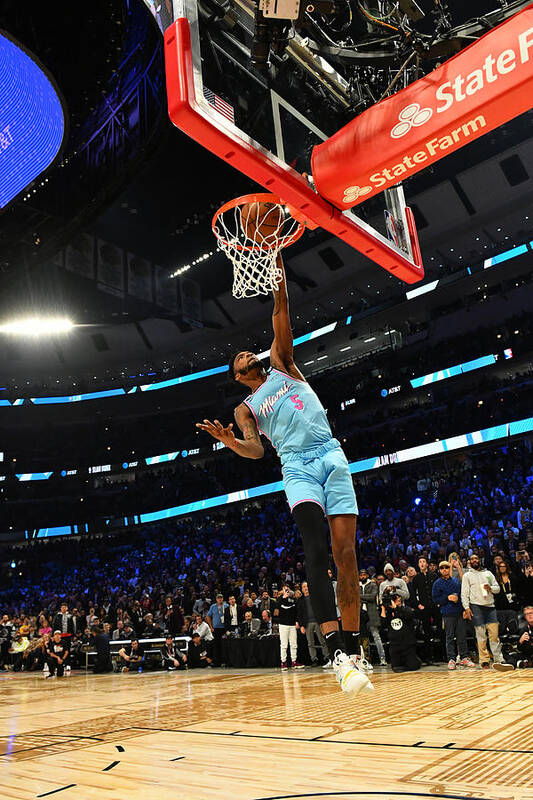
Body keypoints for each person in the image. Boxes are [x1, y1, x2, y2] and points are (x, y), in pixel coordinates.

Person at [196, 252, 372, 696]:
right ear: (239, 377)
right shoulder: (246, 407)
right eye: (239, 360)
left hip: (330, 454)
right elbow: (256, 449)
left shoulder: (282, 364)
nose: (246, 356)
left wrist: (277, 277)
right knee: (316, 549)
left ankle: (353, 648)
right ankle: (334, 648)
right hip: (296, 468)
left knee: (345, 553)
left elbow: (281, 312)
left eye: (246, 353)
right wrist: (233, 442)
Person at [461, 553, 512, 670]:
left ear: (479, 560)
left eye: (476, 558)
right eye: (472, 559)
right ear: (470, 562)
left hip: (490, 606)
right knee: (481, 635)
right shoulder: (467, 575)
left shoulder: (488, 573)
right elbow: (464, 593)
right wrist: (466, 608)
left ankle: (499, 658)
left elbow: (497, 589)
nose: (474, 560)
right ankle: (484, 660)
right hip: (476, 606)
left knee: (494, 635)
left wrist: (490, 588)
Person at [432, 561, 475, 670]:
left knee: (462, 636)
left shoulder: (456, 581)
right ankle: (451, 659)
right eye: (442, 568)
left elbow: (462, 595)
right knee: (449, 637)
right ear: (440, 570)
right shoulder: (437, 583)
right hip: (447, 613)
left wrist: (465, 609)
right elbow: (435, 599)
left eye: (447, 567)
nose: (445, 569)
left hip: (459, 612)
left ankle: (464, 657)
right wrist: (447, 598)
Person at [380, 594, 420, 673]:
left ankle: (416, 659)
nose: (399, 602)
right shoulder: (389, 613)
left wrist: (397, 608)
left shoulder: (404, 609)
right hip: (394, 645)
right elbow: (383, 624)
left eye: (399, 601)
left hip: (407, 643)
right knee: (396, 667)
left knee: (413, 666)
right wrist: (383, 608)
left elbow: (409, 614)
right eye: (398, 601)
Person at [297, 581, 329, 666]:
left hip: (318, 621)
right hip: (307, 623)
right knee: (310, 643)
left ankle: (327, 658)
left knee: (322, 641)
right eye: (303, 587)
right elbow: (299, 614)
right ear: (302, 589)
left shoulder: (315, 597)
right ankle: (314, 659)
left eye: (307, 586)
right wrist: (301, 626)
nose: (305, 588)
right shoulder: (300, 600)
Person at [360, 569, 387, 666]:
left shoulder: (373, 585)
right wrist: (365, 598)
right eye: (361, 575)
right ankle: (365, 660)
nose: (363, 576)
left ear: (367, 575)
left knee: (376, 636)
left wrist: (360, 597)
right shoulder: (357, 586)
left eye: (364, 575)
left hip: (371, 613)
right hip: (360, 615)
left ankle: (382, 658)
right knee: (363, 638)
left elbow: (372, 597)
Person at [274, 583, 304, 671]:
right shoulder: (279, 599)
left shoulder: (293, 599)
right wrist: (283, 597)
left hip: (292, 624)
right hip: (283, 624)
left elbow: (296, 611)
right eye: (284, 589)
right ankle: (283, 662)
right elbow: (277, 609)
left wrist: (297, 621)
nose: (286, 590)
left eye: (287, 589)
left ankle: (294, 661)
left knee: (293, 644)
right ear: (282, 591)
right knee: (284, 644)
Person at [207, 594, 227, 666]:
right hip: (216, 628)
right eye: (218, 598)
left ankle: (224, 661)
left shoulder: (226, 606)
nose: (220, 599)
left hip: (224, 628)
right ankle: (217, 662)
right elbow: (208, 616)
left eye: (221, 598)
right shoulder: (213, 606)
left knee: (224, 645)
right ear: (216, 599)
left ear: (223, 599)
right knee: (216, 645)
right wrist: (211, 627)